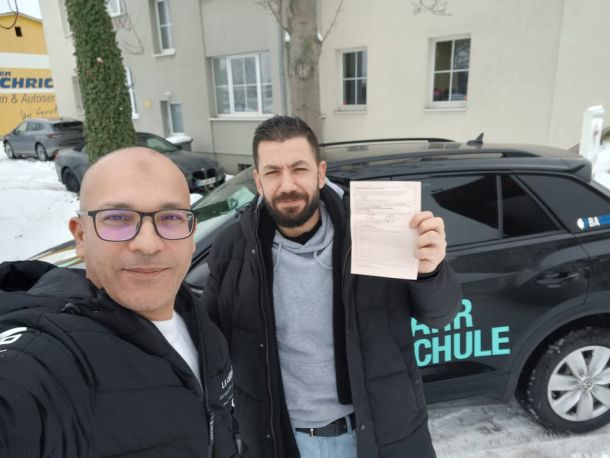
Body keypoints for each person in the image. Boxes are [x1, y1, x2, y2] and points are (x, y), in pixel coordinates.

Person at [204, 116, 462, 458]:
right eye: (273, 172)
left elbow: (441, 315)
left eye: (299, 169)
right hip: (281, 441)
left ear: (320, 172)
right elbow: (212, 347)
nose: (287, 185)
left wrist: (430, 272)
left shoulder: (373, 231)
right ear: (258, 181)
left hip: (381, 435)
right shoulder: (232, 249)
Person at [0, 148, 238, 457]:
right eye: (117, 218)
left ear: (191, 233)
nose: (148, 244)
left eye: (170, 217)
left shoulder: (196, 317)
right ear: (81, 237)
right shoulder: (47, 356)